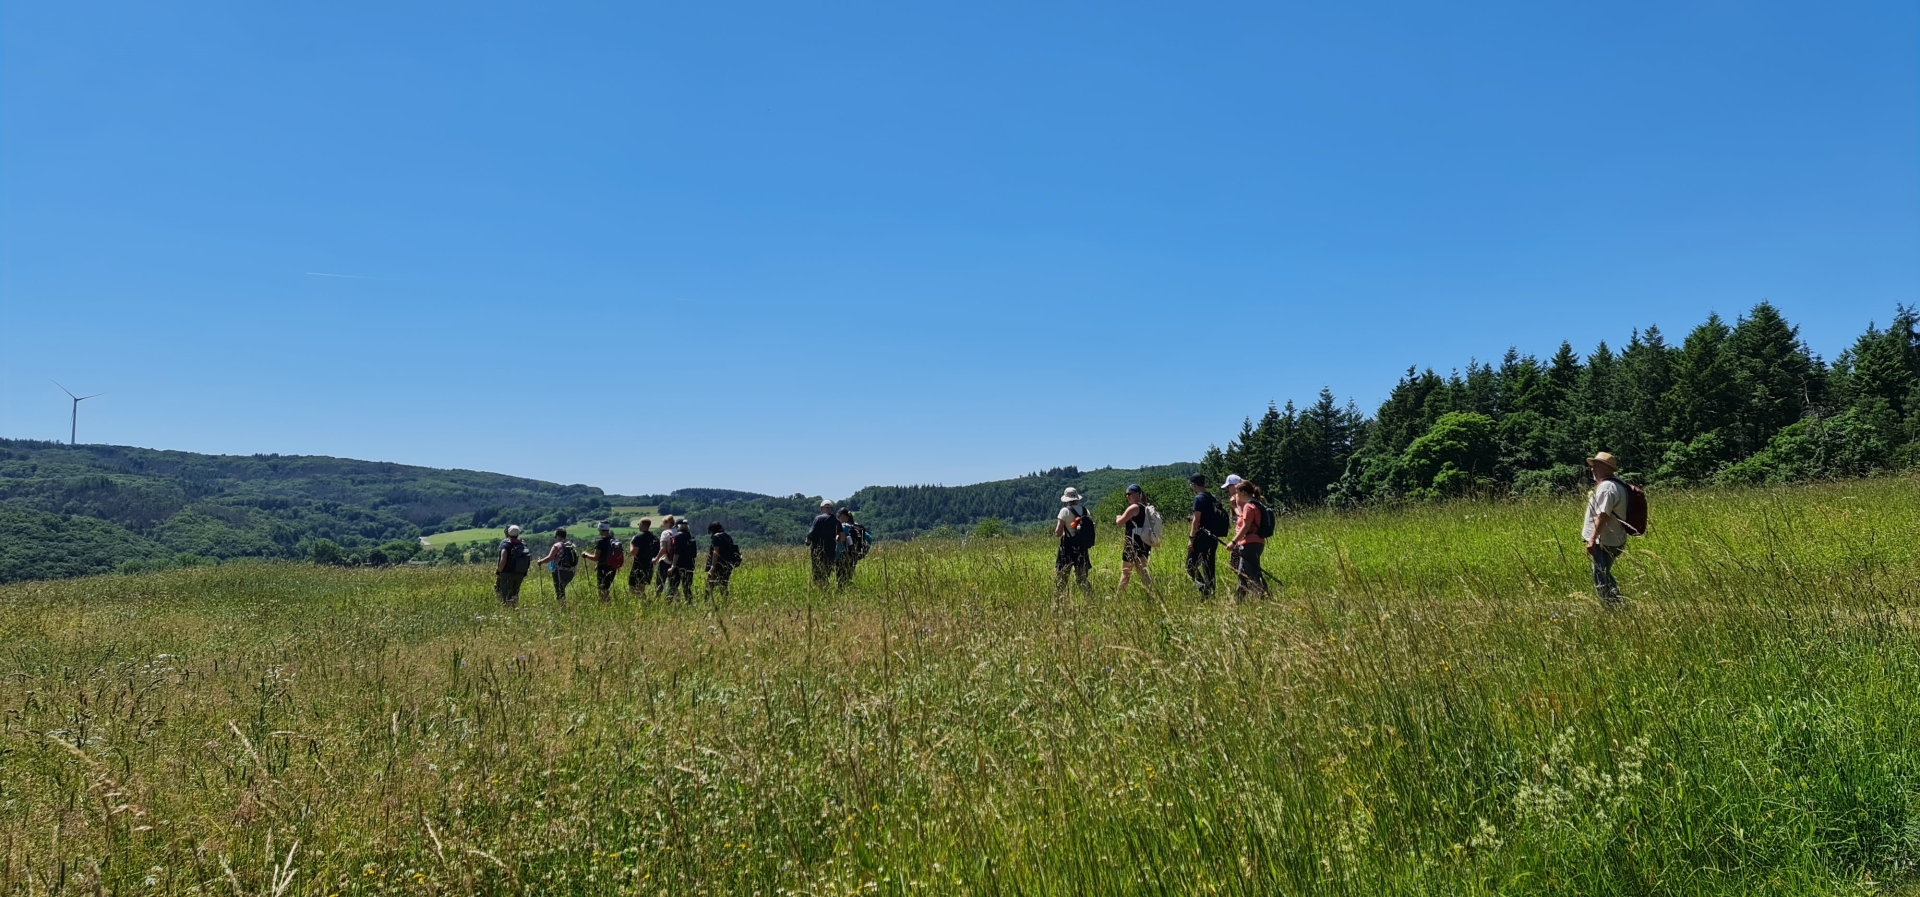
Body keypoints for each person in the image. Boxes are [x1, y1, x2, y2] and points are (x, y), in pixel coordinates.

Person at [1583, 451, 1631, 606]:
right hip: (1615, 539)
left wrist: (1592, 539)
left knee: (1600, 576)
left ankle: (1612, 607)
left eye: (1596, 466)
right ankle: (1618, 603)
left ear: (1606, 467)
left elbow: (1602, 515)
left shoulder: (1606, 487)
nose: (1592, 469)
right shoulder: (1618, 484)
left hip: (1604, 541)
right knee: (1604, 573)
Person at [1186, 474, 1225, 598]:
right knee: (1209, 567)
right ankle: (1211, 593)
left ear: (1194, 484)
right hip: (1213, 537)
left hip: (1201, 537)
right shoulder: (1212, 497)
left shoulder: (1199, 498)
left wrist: (1191, 539)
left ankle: (1204, 590)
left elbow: (1196, 521)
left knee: (1190, 565)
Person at [1228, 482, 1267, 599]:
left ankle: (1261, 597)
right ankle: (1239, 600)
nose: (1236, 495)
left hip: (1249, 544)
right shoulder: (1256, 504)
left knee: (1252, 574)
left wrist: (1233, 542)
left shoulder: (1248, 507)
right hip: (1256, 543)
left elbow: (1245, 527)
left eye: (1238, 492)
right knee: (1242, 573)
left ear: (1244, 492)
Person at [1053, 487, 1094, 596]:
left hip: (1067, 547)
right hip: (1082, 547)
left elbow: (1058, 532)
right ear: (1077, 498)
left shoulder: (1064, 511)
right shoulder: (1085, 510)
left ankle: (1058, 600)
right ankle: (1091, 599)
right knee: (1082, 579)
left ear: (1066, 499)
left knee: (1061, 578)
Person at [1115, 484, 1154, 592]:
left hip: (1132, 544)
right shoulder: (1146, 507)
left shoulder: (1134, 507)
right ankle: (1153, 596)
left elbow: (1120, 522)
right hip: (1144, 543)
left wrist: (1118, 517)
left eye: (1130, 494)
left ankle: (1118, 599)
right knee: (1143, 572)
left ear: (1137, 494)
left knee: (1125, 572)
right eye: (1126, 494)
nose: (1127, 496)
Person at [533, 527, 578, 608]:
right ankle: (563, 607)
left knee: (559, 591)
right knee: (562, 589)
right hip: (571, 572)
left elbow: (549, 558)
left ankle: (562, 608)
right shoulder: (572, 545)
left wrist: (540, 561)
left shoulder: (557, 545)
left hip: (559, 571)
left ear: (557, 536)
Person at [583, 522, 622, 604]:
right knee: (606, 588)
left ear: (600, 529)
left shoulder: (601, 542)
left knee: (602, 589)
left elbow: (595, 558)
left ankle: (606, 606)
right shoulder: (614, 541)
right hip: (613, 568)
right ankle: (607, 606)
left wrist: (586, 555)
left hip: (603, 568)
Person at [494, 524, 531, 607]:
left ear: (508, 533)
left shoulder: (506, 544)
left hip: (507, 573)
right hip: (520, 573)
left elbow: (503, 560)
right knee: (515, 593)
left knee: (505, 595)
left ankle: (507, 611)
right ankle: (515, 609)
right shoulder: (523, 544)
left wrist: (499, 571)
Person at [806, 501, 840, 589]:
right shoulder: (836, 521)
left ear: (821, 509)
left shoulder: (818, 518)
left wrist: (808, 541)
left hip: (817, 550)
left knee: (817, 573)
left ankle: (822, 590)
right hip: (830, 551)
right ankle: (826, 588)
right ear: (831, 509)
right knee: (827, 572)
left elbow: (811, 533)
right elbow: (842, 537)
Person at [705, 521, 741, 598]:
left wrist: (712, 567)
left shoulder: (716, 537)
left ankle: (707, 602)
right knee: (724, 584)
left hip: (718, 565)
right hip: (728, 564)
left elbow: (716, 552)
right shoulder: (727, 536)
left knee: (709, 584)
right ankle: (725, 602)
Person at [834, 508, 867, 588]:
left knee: (841, 579)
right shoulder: (856, 527)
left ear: (842, 516)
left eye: (838, 516)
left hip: (842, 555)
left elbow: (839, 541)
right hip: (854, 554)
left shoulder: (843, 527)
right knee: (849, 576)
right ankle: (849, 591)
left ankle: (842, 593)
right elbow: (869, 538)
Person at [627, 518, 659, 596]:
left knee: (632, 588)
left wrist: (631, 543)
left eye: (639, 524)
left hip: (638, 566)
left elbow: (634, 552)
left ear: (641, 524)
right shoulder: (654, 538)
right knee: (642, 588)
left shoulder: (638, 537)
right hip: (649, 566)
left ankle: (645, 603)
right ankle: (645, 604)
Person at [668, 518, 699, 600]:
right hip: (690, 565)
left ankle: (670, 603)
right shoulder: (691, 536)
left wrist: (673, 565)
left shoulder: (678, 536)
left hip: (679, 565)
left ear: (679, 526)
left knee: (673, 585)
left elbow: (677, 552)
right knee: (687, 587)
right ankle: (689, 603)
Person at [652, 515, 678, 597]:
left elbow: (663, 549)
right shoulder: (677, 532)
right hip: (675, 562)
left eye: (664, 523)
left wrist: (656, 559)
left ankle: (657, 601)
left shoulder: (665, 533)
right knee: (673, 585)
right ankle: (673, 603)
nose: (663, 525)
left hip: (665, 561)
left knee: (660, 584)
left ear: (668, 523)